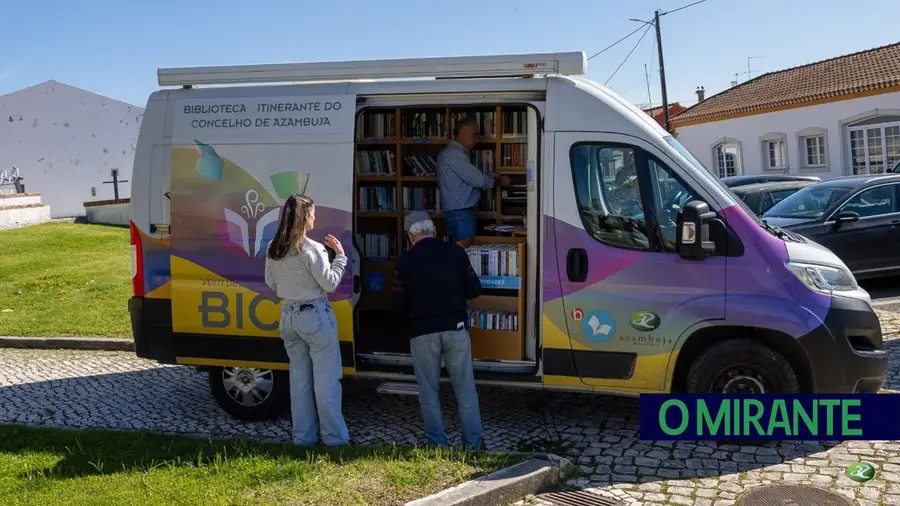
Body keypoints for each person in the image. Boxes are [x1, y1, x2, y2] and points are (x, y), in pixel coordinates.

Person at [391, 210, 485, 450]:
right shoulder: (457, 253)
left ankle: (437, 445)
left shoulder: (404, 261)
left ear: (410, 236)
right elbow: (475, 289)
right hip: (455, 327)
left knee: (428, 392)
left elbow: (397, 305)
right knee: (465, 390)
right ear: (434, 231)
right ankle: (473, 445)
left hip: (422, 332)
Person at [264, 194, 350, 447]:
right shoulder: (313, 249)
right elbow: (330, 284)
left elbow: (271, 282)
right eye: (312, 214)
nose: (314, 219)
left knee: (299, 381)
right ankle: (334, 439)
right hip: (314, 316)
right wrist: (340, 257)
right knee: (326, 381)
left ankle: (303, 438)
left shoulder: (274, 248)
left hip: (288, 316)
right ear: (304, 218)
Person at [437, 117, 511, 246]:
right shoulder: (455, 154)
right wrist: (500, 181)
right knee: (467, 252)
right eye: (474, 135)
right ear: (463, 133)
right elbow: (478, 180)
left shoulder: (449, 153)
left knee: (459, 251)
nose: (477, 140)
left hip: (456, 212)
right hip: (461, 214)